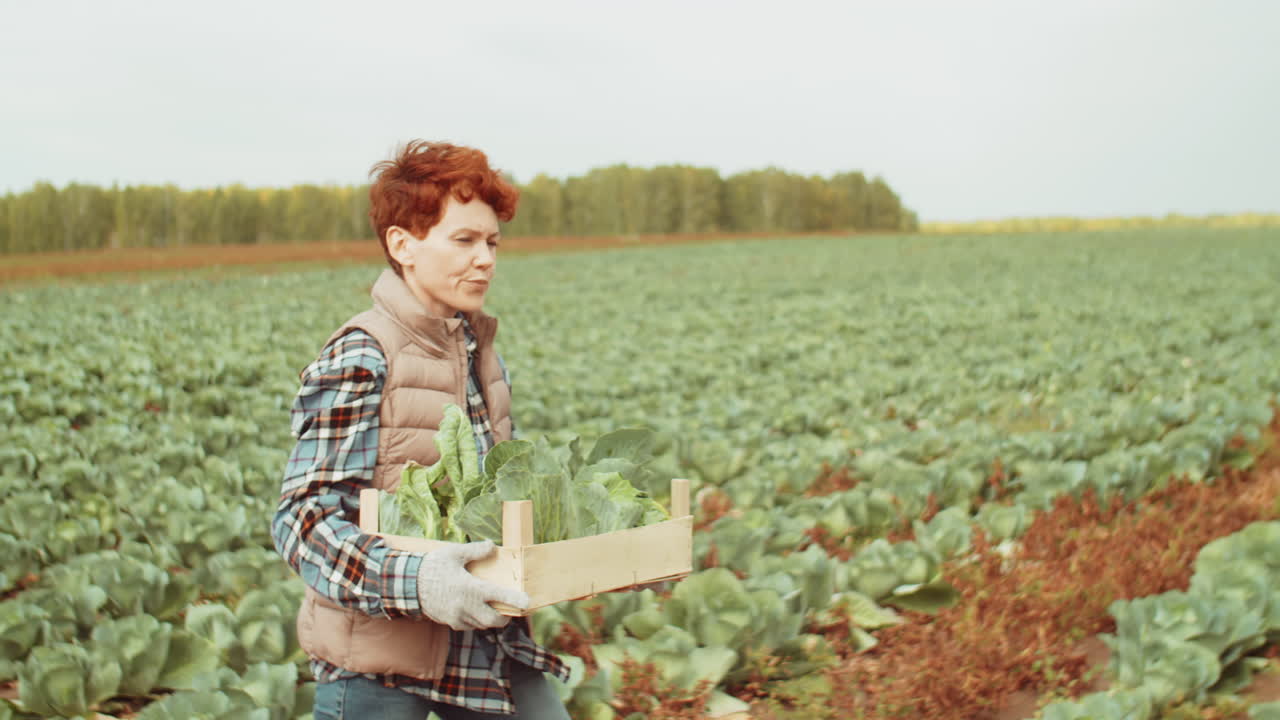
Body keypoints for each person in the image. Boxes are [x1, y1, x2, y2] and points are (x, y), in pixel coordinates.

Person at [272, 140, 572, 719]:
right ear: (402, 245)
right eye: (463, 240)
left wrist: (603, 557)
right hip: (381, 661)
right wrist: (417, 581)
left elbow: (496, 504)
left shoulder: (481, 351)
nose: (485, 258)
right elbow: (301, 522)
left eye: (491, 242)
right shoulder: (362, 355)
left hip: (484, 642)